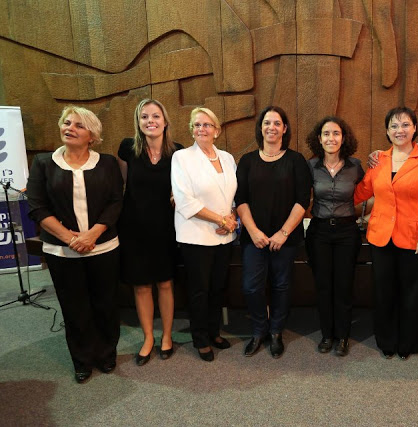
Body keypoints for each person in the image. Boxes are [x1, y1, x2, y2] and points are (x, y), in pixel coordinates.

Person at [27, 106, 123, 384]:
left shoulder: (108, 163)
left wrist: (92, 235)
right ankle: (82, 360)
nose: (70, 128)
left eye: (79, 125)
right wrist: (71, 239)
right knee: (74, 307)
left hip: (103, 247)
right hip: (61, 251)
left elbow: (116, 201)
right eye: (67, 123)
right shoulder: (43, 163)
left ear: (92, 136)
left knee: (105, 304)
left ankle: (106, 354)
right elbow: (37, 207)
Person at [354, 106, 418, 359]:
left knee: (411, 292)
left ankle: (408, 343)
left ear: (414, 129)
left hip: (415, 237)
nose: (399, 130)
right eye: (394, 126)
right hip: (381, 236)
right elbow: (361, 192)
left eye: (405, 125)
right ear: (387, 131)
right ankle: (386, 340)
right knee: (383, 291)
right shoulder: (379, 160)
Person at [235, 105, 312, 358]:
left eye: (277, 123)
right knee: (251, 287)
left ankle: (276, 331)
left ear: (285, 129)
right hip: (253, 237)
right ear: (260, 128)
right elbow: (240, 199)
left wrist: (283, 232)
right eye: (267, 123)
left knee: (281, 285)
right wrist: (253, 231)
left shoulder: (296, 161)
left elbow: (302, 200)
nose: (272, 127)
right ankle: (259, 331)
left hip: (285, 238)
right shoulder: (247, 161)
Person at [117, 99, 181, 366]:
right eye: (144, 116)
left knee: (165, 283)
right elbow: (121, 185)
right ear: (138, 122)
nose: (150, 121)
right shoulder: (127, 149)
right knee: (142, 285)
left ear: (165, 121)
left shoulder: (178, 152)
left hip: (166, 228)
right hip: (134, 227)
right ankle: (147, 338)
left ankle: (166, 336)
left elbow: (183, 187)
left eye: (155, 116)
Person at [171, 107, 237, 362]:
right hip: (196, 236)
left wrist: (231, 218)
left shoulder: (228, 158)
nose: (202, 129)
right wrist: (221, 220)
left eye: (207, 124)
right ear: (191, 130)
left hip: (224, 235)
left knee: (218, 288)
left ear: (217, 130)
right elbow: (184, 200)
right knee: (199, 290)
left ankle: (213, 332)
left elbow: (233, 195)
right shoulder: (182, 158)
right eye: (197, 125)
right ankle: (200, 339)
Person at [305, 116, 364, 356]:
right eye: (326, 134)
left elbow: (372, 192)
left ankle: (343, 336)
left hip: (347, 232)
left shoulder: (355, 166)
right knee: (323, 286)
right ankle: (327, 335)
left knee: (343, 285)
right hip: (318, 232)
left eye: (336, 133)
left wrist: (369, 216)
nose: (331, 138)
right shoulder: (310, 166)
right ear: (319, 139)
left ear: (343, 137)